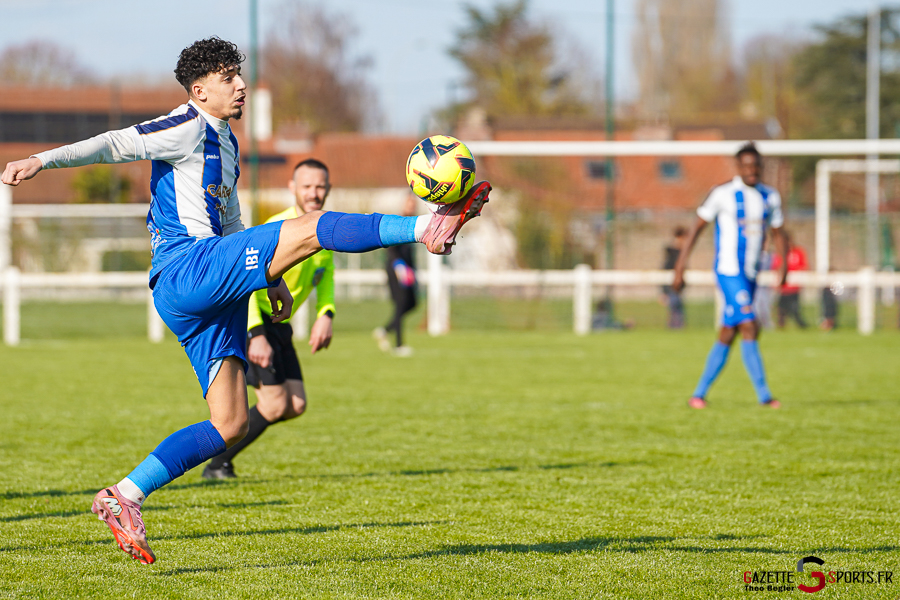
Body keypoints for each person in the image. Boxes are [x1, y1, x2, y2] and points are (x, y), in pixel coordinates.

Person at [0, 37, 491, 564]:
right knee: (314, 227)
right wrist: (41, 160)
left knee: (230, 423)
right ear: (199, 89)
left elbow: (231, 221)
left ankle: (123, 496)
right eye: (228, 76)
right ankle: (427, 226)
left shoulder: (227, 141)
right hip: (188, 268)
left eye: (239, 74)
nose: (240, 84)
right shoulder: (184, 125)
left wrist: (268, 279)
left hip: (212, 283)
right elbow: (112, 143)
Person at [202, 158, 336, 480]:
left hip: (280, 325)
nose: (314, 193)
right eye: (307, 186)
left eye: (320, 186)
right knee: (275, 405)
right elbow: (244, 280)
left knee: (296, 404)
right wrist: (255, 333)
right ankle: (216, 462)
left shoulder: (324, 227)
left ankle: (220, 459)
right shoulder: (278, 230)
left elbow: (326, 274)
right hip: (254, 320)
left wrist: (325, 313)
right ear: (293, 188)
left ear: (328, 189)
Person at [672, 142, 787, 410]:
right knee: (749, 323)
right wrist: (680, 266)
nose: (751, 170)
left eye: (755, 165)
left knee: (729, 331)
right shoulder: (722, 194)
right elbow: (696, 228)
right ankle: (765, 396)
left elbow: (779, 232)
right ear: (738, 167)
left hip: (751, 274)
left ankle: (698, 395)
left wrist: (784, 269)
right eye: (746, 165)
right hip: (727, 270)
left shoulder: (770, 196)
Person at [374, 194, 419, 356]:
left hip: (408, 270)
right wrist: (399, 267)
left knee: (413, 303)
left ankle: (385, 330)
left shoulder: (416, 221)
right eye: (409, 203)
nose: (412, 206)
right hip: (396, 269)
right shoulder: (399, 221)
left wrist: (412, 270)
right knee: (400, 304)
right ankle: (399, 345)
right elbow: (391, 247)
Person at [770, 231, 808, 329]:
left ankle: (803, 327)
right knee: (780, 311)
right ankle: (780, 329)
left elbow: (804, 267)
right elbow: (776, 268)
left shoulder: (799, 252)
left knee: (795, 311)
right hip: (783, 288)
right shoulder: (780, 254)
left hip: (794, 288)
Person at [661, 226, 687, 329]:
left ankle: (678, 328)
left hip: (679, 288)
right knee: (674, 310)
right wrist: (663, 291)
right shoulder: (672, 253)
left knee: (679, 311)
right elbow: (665, 270)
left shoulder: (682, 253)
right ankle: (673, 328)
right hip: (671, 287)